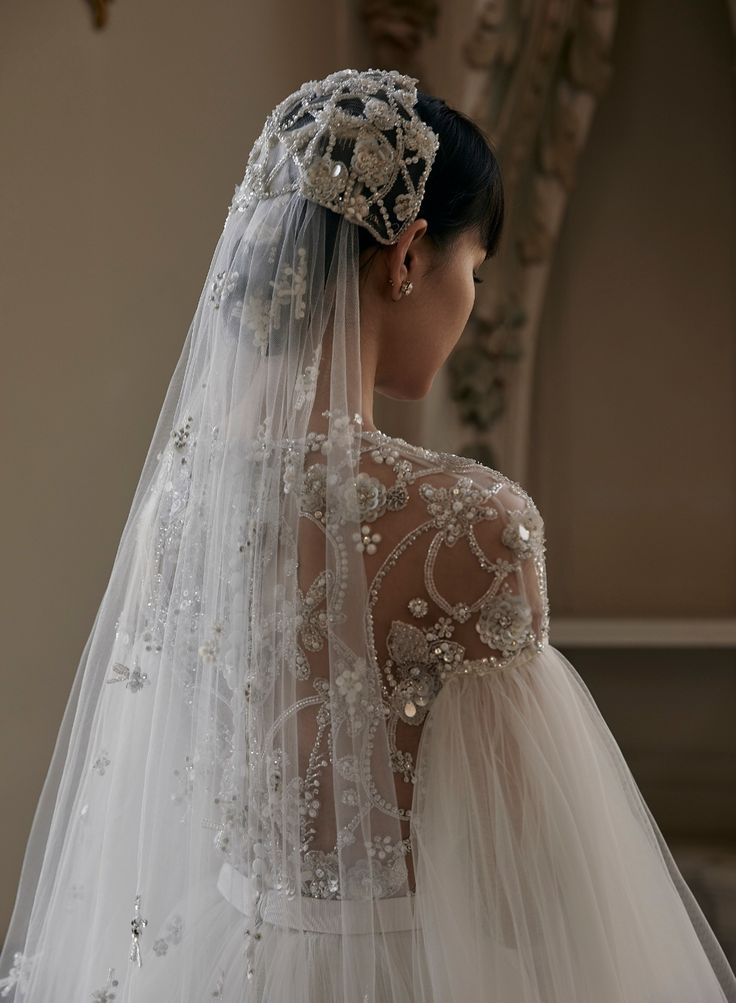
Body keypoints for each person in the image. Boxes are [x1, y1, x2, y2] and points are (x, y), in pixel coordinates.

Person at [0, 66, 734, 1003]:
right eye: (475, 268)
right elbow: (530, 895)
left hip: (225, 964)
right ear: (407, 257)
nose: (470, 302)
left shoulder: (179, 503)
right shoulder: (475, 524)